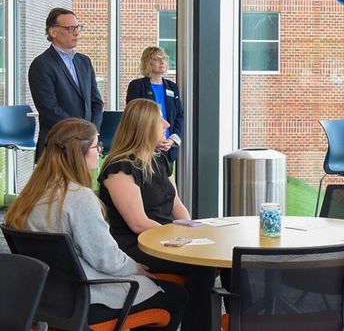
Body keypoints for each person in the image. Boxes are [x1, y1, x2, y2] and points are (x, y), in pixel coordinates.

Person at [4, 118, 186, 329]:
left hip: (44, 298)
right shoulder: (78, 197)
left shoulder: (29, 197)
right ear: (78, 152)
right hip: (86, 299)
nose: (100, 151)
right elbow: (106, 259)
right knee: (176, 295)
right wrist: (136, 267)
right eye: (96, 146)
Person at [98, 98, 213, 331]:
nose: (167, 123)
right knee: (201, 266)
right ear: (145, 126)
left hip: (164, 237)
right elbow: (138, 223)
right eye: (160, 119)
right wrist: (179, 238)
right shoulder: (121, 168)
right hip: (138, 243)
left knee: (216, 260)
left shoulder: (159, 159)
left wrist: (191, 229)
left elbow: (177, 205)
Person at [28, 7, 104, 161]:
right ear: (53, 32)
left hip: (85, 147)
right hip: (57, 148)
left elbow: (96, 102)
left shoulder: (84, 61)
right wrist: (80, 134)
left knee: (83, 186)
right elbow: (49, 109)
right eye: (70, 28)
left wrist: (91, 134)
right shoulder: (41, 64)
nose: (76, 32)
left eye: (78, 27)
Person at [126, 46, 183, 163]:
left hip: (167, 147)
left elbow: (179, 116)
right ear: (148, 62)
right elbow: (135, 116)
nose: (162, 62)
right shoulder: (137, 86)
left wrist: (172, 140)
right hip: (144, 147)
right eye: (157, 59)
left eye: (164, 58)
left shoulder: (172, 87)